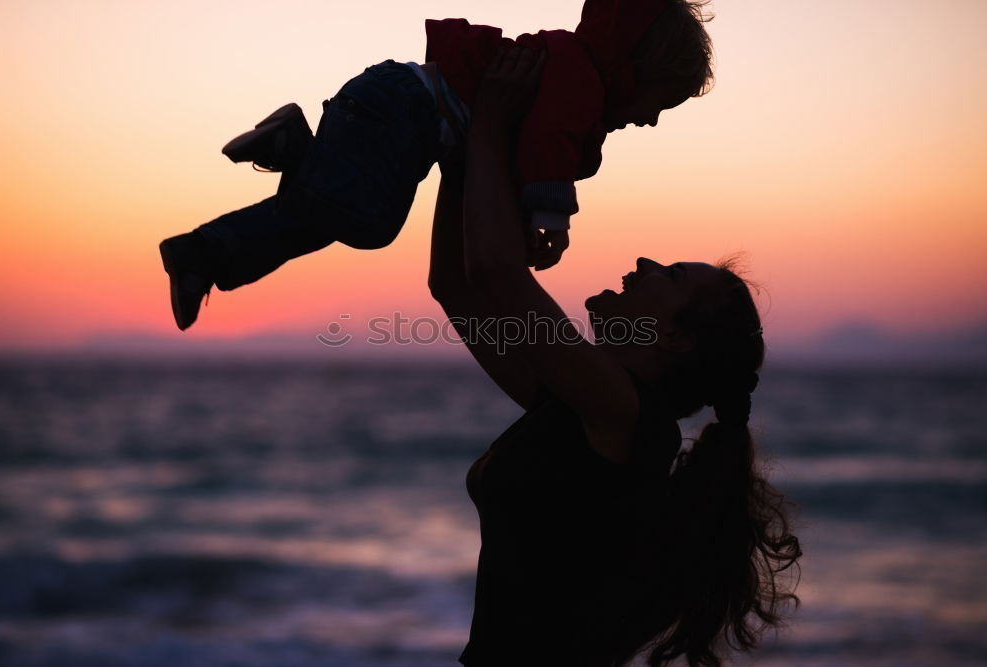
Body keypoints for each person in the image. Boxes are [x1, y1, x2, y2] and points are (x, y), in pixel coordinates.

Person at [429, 46, 802, 666]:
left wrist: (491, 125)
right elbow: (457, 285)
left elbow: (494, 269)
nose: (645, 264)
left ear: (677, 338)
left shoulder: (627, 416)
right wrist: (462, 146)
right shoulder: (578, 403)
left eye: (671, 275)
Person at [158, 0, 715, 330]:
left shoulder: (574, 77)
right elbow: (547, 148)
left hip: (392, 103)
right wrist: (551, 217)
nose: (651, 122)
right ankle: (293, 153)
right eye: (657, 105)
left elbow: (513, 163)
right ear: (636, 72)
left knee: (332, 217)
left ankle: (206, 251)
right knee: (367, 221)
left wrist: (518, 222)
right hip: (408, 111)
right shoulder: (580, 83)